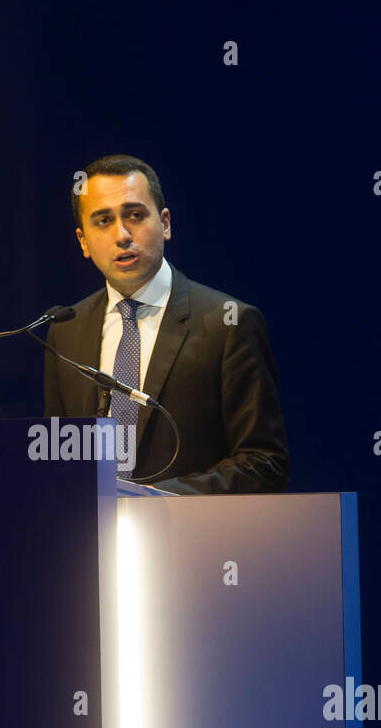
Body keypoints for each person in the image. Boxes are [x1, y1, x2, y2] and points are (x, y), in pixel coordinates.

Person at [43, 154, 290, 494]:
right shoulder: (65, 329)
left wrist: (154, 501)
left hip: (196, 538)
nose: (122, 234)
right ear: (83, 241)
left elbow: (264, 462)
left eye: (135, 215)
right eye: (103, 221)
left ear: (165, 223)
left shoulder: (227, 323)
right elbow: (60, 460)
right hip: (92, 540)